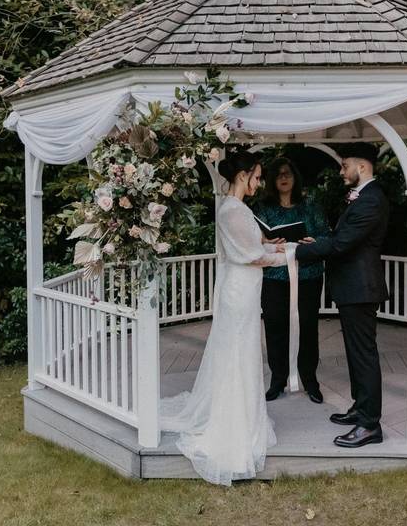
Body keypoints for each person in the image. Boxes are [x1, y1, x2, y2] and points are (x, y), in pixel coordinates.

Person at [160, 151, 290, 485]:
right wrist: (289, 255)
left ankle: (245, 416)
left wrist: (274, 246)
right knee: (237, 353)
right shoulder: (232, 210)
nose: (259, 183)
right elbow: (250, 256)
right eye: (257, 176)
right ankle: (233, 423)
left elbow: (255, 246)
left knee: (243, 351)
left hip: (246, 289)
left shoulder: (238, 208)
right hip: (240, 289)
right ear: (243, 175)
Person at [294, 143, 389, 448]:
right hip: (353, 289)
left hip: (360, 289)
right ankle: (360, 409)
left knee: (364, 357)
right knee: (356, 354)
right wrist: (319, 240)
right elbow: (339, 240)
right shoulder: (363, 198)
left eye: (344, 165)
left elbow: (341, 245)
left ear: (361, 167)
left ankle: (370, 425)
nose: (341, 171)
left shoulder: (371, 200)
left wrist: (300, 249)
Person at [254, 157, 331, 404]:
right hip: (274, 277)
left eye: (288, 173)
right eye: (278, 174)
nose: (284, 178)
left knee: (308, 327)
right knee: (275, 327)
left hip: (307, 275)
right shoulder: (263, 207)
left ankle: (310, 380)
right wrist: (266, 242)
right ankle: (278, 380)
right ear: (272, 180)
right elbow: (253, 239)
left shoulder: (310, 205)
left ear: (295, 177)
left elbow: (326, 235)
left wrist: (314, 241)